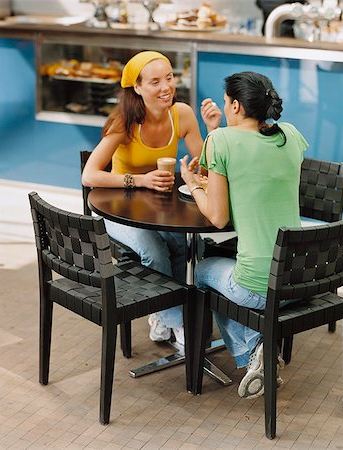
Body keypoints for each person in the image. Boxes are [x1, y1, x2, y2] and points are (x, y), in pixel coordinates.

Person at [180, 71, 308, 398]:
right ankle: (260, 349)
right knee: (226, 264)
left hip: (258, 287)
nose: (224, 109)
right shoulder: (291, 134)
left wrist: (192, 181)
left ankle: (254, 350)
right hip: (300, 279)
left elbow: (218, 216)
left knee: (202, 269)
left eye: (226, 103)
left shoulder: (222, 141)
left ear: (236, 106)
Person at [82, 51, 221, 345]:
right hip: (116, 212)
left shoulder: (181, 114)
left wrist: (213, 131)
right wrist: (141, 180)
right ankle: (177, 324)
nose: (166, 87)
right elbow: (90, 175)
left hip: (159, 209)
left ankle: (160, 314)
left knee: (179, 245)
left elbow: (206, 167)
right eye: (155, 82)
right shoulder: (125, 120)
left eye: (169, 78)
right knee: (155, 251)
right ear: (138, 87)